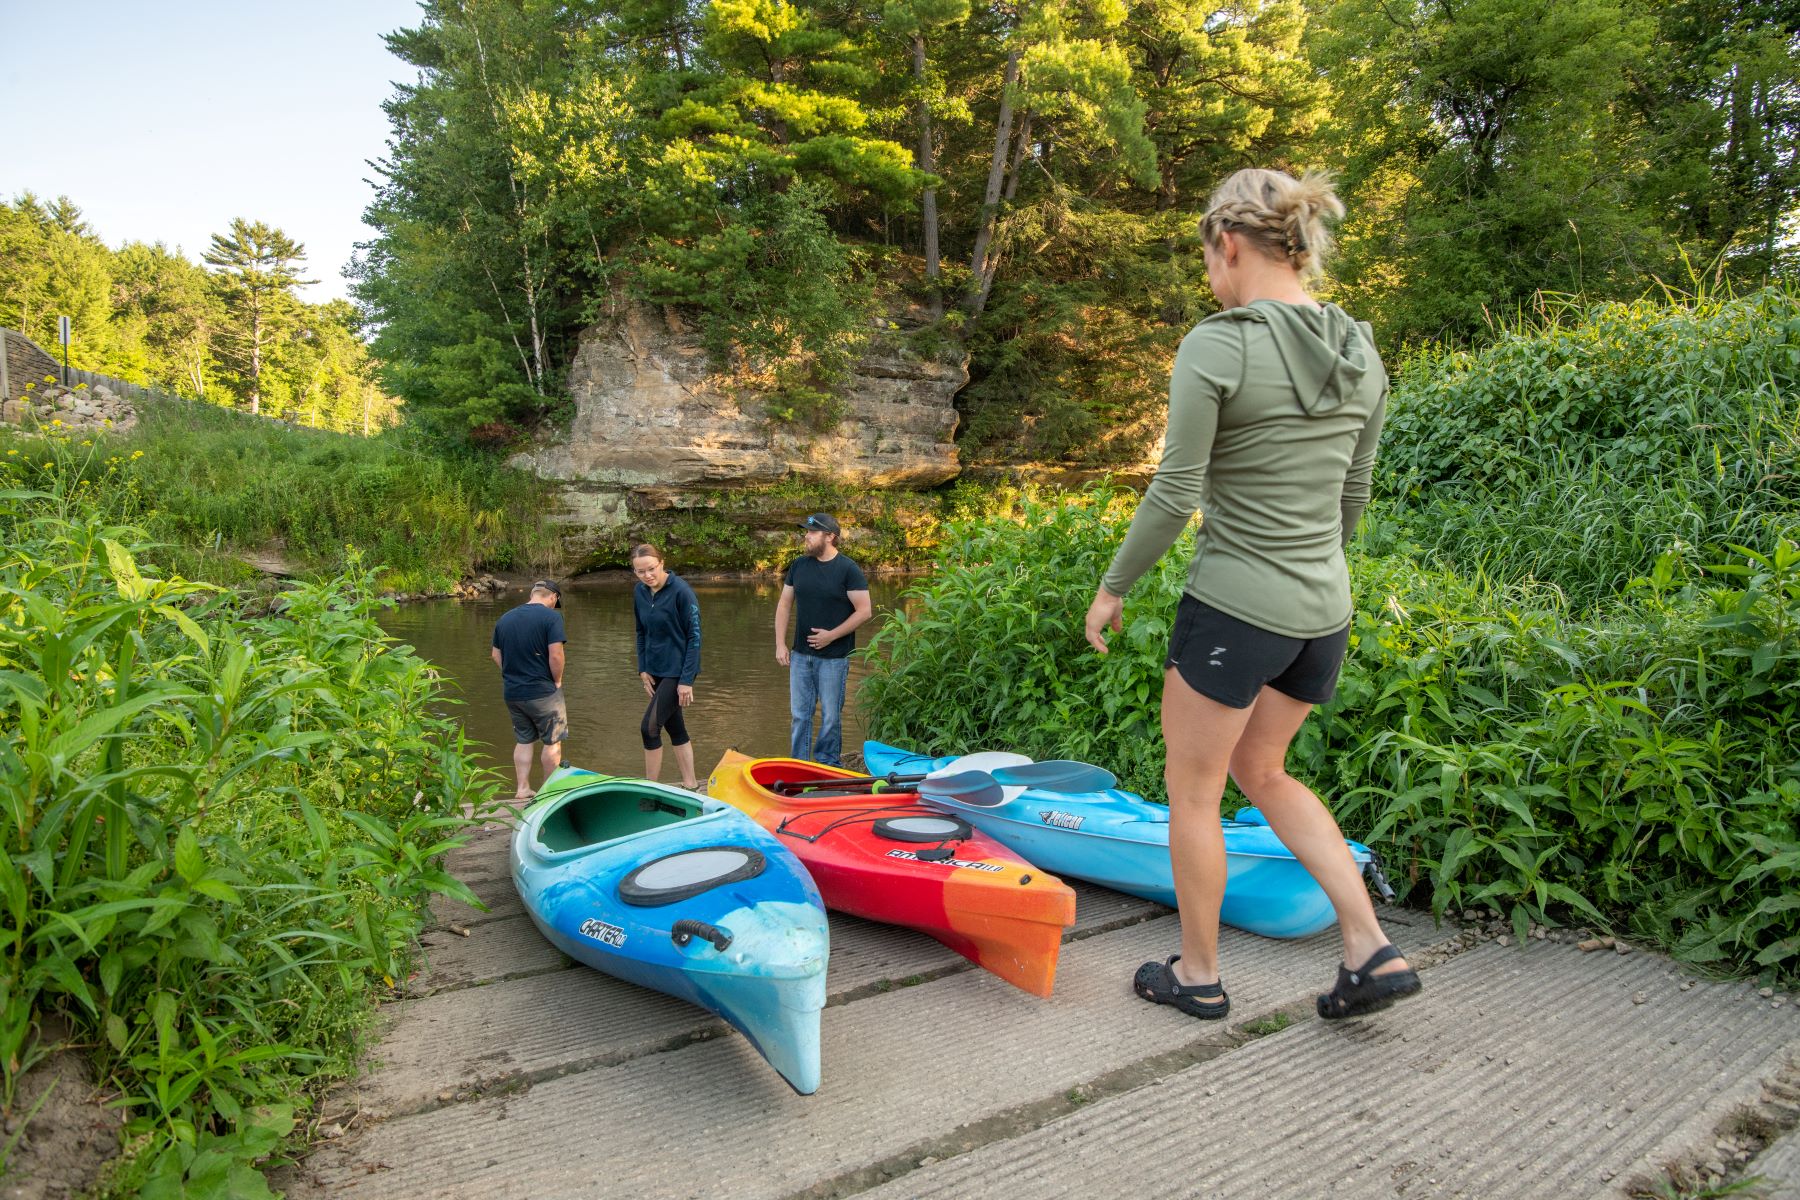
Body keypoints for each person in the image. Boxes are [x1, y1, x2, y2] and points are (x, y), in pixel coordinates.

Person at [1083, 168, 1420, 1022]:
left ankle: (1197, 974)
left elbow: (1174, 491)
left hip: (1235, 608)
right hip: (1324, 612)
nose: (1210, 280)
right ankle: (1367, 944)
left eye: (1208, 260)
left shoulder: (1220, 343)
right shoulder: (1361, 349)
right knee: (1263, 769)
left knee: (1194, 792)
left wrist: (1112, 587)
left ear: (1228, 244)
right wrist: (1312, 572)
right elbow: (1357, 492)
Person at [774, 513, 872, 766]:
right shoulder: (798, 566)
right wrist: (780, 643)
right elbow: (784, 604)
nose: (806, 536)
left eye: (812, 532)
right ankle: (799, 765)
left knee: (830, 716)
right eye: (806, 531)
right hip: (800, 655)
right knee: (799, 715)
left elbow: (864, 611)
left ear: (830, 537)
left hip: (834, 658)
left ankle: (827, 765)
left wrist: (832, 636)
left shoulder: (848, 569)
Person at [631, 543, 702, 789]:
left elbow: (694, 638)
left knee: (649, 728)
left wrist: (686, 681)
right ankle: (691, 785)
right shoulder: (639, 592)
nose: (647, 575)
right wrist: (642, 668)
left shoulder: (682, 592)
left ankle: (650, 789)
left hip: (677, 671)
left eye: (651, 569)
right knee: (676, 728)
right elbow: (640, 631)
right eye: (640, 572)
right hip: (654, 670)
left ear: (662, 563)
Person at [491, 580, 568, 801]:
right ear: (552, 597)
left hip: (513, 692)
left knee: (524, 739)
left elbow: (496, 655)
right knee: (552, 741)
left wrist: (512, 674)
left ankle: (522, 788)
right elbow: (556, 654)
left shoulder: (505, 618)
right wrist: (558, 681)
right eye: (556, 602)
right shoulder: (552, 617)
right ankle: (548, 792)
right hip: (543, 691)